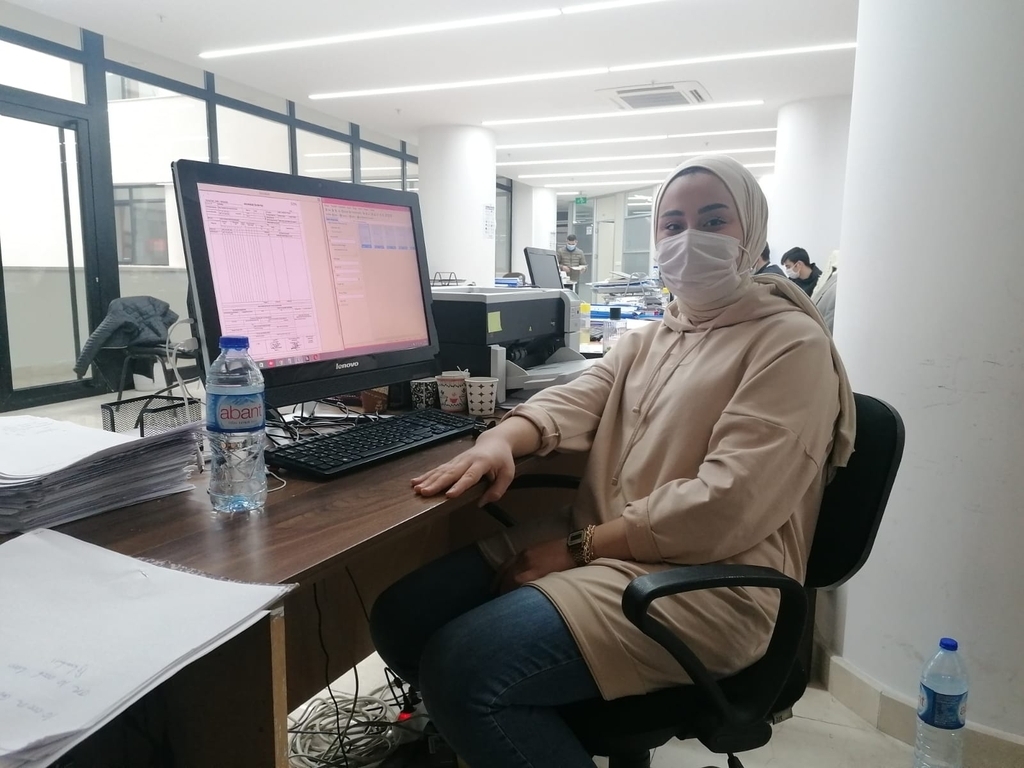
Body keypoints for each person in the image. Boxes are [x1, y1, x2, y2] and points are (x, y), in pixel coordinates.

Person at [368, 156, 855, 768]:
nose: (689, 239)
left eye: (713, 221)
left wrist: (577, 549)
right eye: (672, 225)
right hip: (609, 541)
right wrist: (502, 439)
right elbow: (580, 396)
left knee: (465, 669)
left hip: (712, 581)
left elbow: (729, 504)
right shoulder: (658, 334)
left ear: (753, 234)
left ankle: (499, 718)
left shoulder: (790, 344)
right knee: (403, 617)